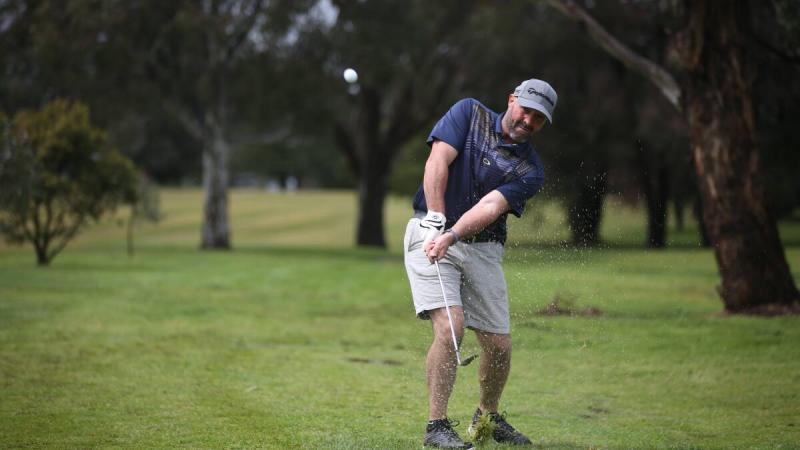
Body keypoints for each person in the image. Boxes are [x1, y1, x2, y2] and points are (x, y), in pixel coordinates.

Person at [403, 78, 557, 449]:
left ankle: (487, 416)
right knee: (451, 327)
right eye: (526, 110)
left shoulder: (530, 170)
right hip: (428, 233)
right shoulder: (469, 113)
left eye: (539, 118)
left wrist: (453, 234)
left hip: (481, 247)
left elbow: (491, 207)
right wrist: (437, 218)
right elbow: (438, 158)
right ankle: (436, 427)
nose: (529, 121)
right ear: (511, 100)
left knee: (499, 346)